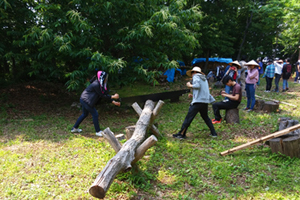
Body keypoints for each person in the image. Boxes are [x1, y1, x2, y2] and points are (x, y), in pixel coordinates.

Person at [71, 71, 120, 136]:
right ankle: (98, 131)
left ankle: (74, 128)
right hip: (86, 100)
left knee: (85, 114)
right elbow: (102, 95)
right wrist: (113, 96)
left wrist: (113, 102)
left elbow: (104, 94)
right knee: (95, 114)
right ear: (102, 78)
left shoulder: (100, 85)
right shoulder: (96, 84)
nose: (106, 79)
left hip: (83, 99)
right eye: (105, 78)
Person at [173, 66, 217, 139]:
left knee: (188, 118)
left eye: (192, 73)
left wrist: (189, 85)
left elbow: (197, 86)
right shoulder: (204, 79)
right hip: (204, 101)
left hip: (197, 103)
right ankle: (214, 133)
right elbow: (202, 91)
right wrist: (193, 95)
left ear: (195, 72)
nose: (192, 75)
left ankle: (181, 134)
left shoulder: (196, 76)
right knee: (206, 117)